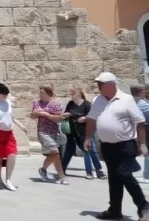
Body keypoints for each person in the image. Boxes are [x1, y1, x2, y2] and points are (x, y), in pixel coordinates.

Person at [85, 72, 148, 220]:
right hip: (107, 146)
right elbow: (92, 120)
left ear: (112, 85)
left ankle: (144, 206)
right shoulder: (98, 100)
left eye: (101, 84)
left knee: (124, 174)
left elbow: (140, 122)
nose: (98, 87)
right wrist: (87, 137)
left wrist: (143, 143)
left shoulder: (126, 100)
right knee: (114, 179)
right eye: (98, 84)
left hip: (126, 145)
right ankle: (115, 211)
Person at [62, 85, 104, 180]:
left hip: (85, 132)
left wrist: (85, 118)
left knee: (91, 151)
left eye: (73, 92)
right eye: (70, 92)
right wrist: (66, 115)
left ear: (79, 93)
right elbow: (66, 113)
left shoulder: (86, 104)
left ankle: (98, 171)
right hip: (72, 132)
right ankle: (62, 169)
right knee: (69, 151)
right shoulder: (70, 104)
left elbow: (92, 116)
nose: (71, 94)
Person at [32, 84, 68, 185]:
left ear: (48, 93)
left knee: (55, 155)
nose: (40, 94)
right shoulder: (36, 103)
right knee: (55, 153)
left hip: (54, 131)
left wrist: (45, 114)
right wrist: (36, 113)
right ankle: (59, 175)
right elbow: (32, 116)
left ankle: (55, 174)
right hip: (43, 132)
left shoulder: (55, 104)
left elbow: (58, 119)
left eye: (42, 92)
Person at [132, 86, 149, 184]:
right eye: (144, 91)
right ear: (140, 93)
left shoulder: (138, 103)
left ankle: (147, 175)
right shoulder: (140, 103)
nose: (146, 93)